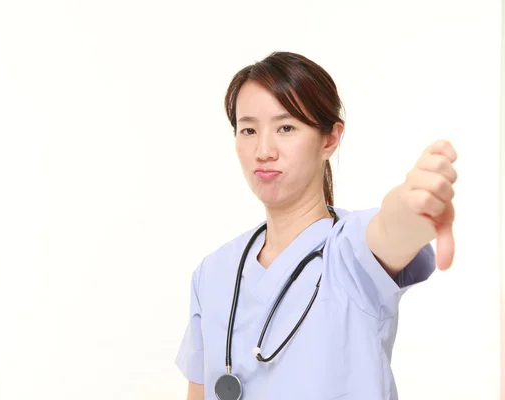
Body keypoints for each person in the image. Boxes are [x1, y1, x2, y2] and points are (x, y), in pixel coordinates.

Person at [175, 51, 458, 400]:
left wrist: (416, 205)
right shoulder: (214, 273)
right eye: (248, 129)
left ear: (330, 139)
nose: (263, 150)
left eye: (286, 128)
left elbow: (393, 228)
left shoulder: (351, 250)